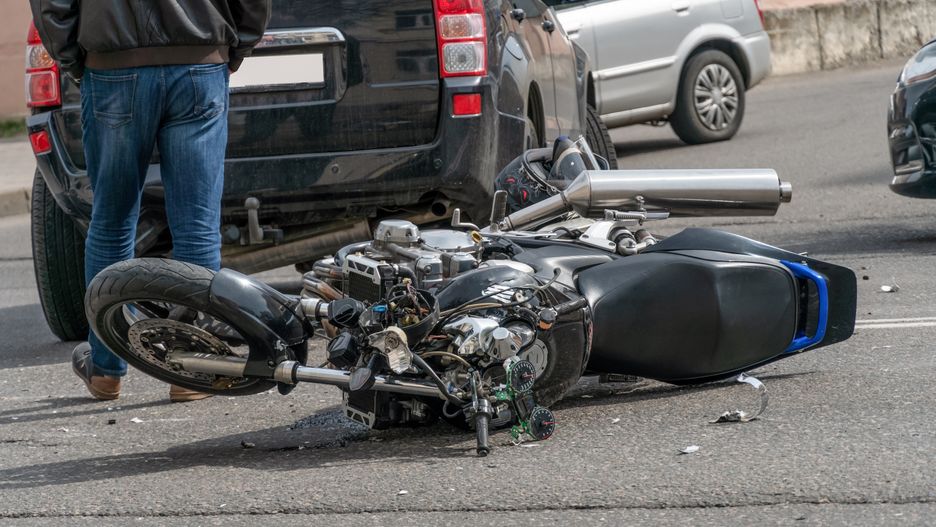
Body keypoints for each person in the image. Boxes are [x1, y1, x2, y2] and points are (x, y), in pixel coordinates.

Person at [29, 1, 272, 402]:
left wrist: (75, 57)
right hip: (199, 61)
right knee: (196, 225)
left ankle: (106, 368)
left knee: (111, 221)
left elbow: (52, 5)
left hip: (112, 66)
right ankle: (191, 365)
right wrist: (237, 45)